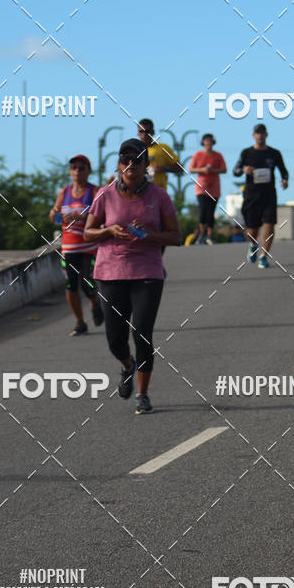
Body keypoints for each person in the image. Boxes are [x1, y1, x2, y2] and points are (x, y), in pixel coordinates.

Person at [84, 139, 181, 414]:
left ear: (146, 165)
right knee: (116, 340)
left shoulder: (159, 196)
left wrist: (150, 235)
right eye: (125, 159)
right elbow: (88, 232)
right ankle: (127, 365)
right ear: (118, 164)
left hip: (147, 272)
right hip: (109, 272)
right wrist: (109, 231)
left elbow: (176, 237)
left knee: (142, 333)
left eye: (136, 160)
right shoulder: (105, 195)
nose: (130, 164)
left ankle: (143, 393)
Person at [50, 155, 103, 336]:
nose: (77, 171)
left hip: (89, 246)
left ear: (88, 171)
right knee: (71, 285)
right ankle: (80, 321)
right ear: (70, 171)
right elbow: (54, 215)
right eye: (74, 167)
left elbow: (102, 215)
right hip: (69, 247)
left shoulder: (95, 191)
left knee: (87, 283)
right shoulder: (64, 192)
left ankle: (95, 302)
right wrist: (54, 213)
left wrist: (81, 217)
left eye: (81, 168)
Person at [233, 124, 289, 267]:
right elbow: (235, 170)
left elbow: (284, 171)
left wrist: (285, 180)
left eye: (262, 133)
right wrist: (244, 170)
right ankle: (253, 245)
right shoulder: (246, 153)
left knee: (269, 225)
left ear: (266, 135)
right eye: (257, 133)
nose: (260, 135)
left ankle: (264, 256)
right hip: (251, 195)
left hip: (269, 195)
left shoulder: (274, 153)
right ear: (253, 135)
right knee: (252, 230)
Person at [188, 134, 227, 244]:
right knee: (203, 211)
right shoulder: (198, 154)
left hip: (214, 187)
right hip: (201, 187)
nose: (208, 143)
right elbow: (191, 169)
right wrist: (204, 169)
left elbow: (224, 169)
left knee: (211, 212)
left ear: (213, 142)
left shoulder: (218, 155)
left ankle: (209, 235)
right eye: (206, 141)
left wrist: (212, 170)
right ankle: (202, 233)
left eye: (210, 141)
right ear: (203, 142)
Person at [136, 119, 181, 190]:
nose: (144, 134)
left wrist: (164, 168)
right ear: (137, 133)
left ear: (153, 132)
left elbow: (180, 167)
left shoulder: (163, 148)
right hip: (139, 193)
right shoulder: (133, 150)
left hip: (159, 194)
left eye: (147, 131)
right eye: (141, 131)